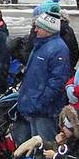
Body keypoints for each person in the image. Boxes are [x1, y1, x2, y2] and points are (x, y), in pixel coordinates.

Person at [13, 9, 70, 145]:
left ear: (48, 29)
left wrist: (40, 103)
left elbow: (57, 82)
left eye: (38, 27)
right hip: (34, 107)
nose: (35, 30)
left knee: (45, 145)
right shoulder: (41, 45)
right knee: (34, 146)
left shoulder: (58, 49)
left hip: (44, 111)